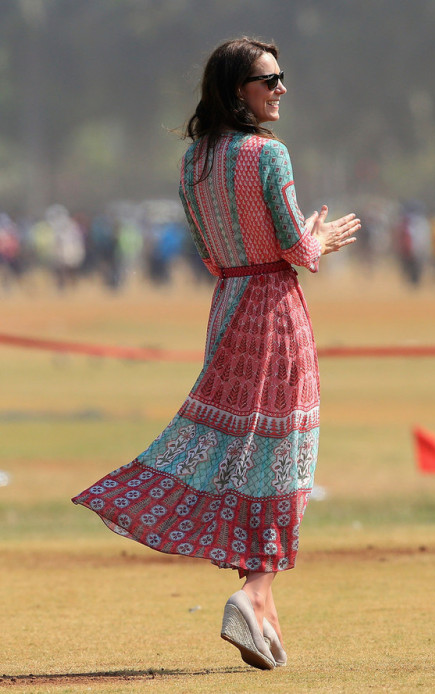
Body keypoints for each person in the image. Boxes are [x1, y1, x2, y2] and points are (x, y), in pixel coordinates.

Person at [72, 36, 360, 670]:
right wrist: (320, 239)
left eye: (281, 77)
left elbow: (209, 252)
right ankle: (255, 591)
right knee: (283, 453)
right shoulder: (268, 154)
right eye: (269, 80)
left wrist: (273, 254)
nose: (281, 88)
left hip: (228, 305)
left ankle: (264, 612)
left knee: (238, 448)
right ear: (238, 92)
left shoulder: (191, 164)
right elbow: (293, 246)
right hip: (275, 311)